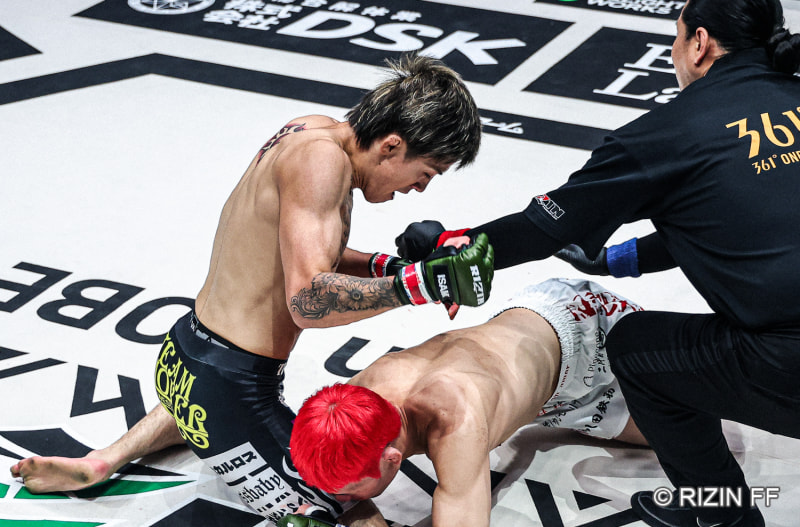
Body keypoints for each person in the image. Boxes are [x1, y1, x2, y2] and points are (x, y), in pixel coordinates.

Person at [9, 54, 492, 526]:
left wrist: (389, 266)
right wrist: (419, 286)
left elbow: (298, 248)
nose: (419, 190)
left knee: (211, 419)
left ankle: (104, 459)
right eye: (425, 173)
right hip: (229, 385)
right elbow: (307, 302)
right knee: (350, 493)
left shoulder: (311, 130)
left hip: (183, 357)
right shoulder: (323, 164)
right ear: (390, 146)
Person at [394, 2, 800, 526]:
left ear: (699, 43)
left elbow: (544, 227)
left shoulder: (665, 135)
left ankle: (724, 514)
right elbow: (747, 215)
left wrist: (450, 245)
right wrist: (617, 261)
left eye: (676, 37)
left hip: (788, 362)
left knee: (636, 348)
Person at [286, 278, 648, 527]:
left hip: (594, 338)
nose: (336, 498)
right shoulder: (351, 401)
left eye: (346, 492)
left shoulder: (456, 421)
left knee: (677, 440)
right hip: (533, 353)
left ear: (392, 459)